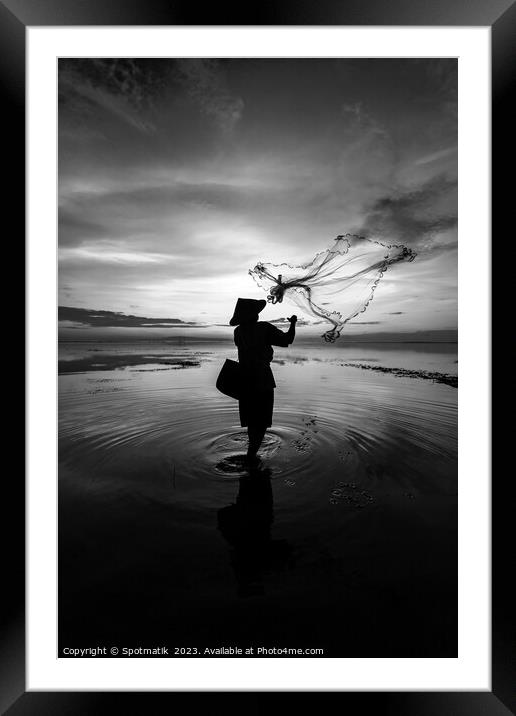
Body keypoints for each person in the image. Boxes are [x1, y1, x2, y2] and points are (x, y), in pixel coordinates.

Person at [229, 297, 297, 464]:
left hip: (244, 380)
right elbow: (287, 339)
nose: (259, 315)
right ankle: (251, 457)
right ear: (253, 315)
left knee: (252, 421)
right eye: (256, 312)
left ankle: (251, 454)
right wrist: (293, 323)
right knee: (262, 421)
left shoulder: (238, 332)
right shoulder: (264, 328)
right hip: (262, 379)